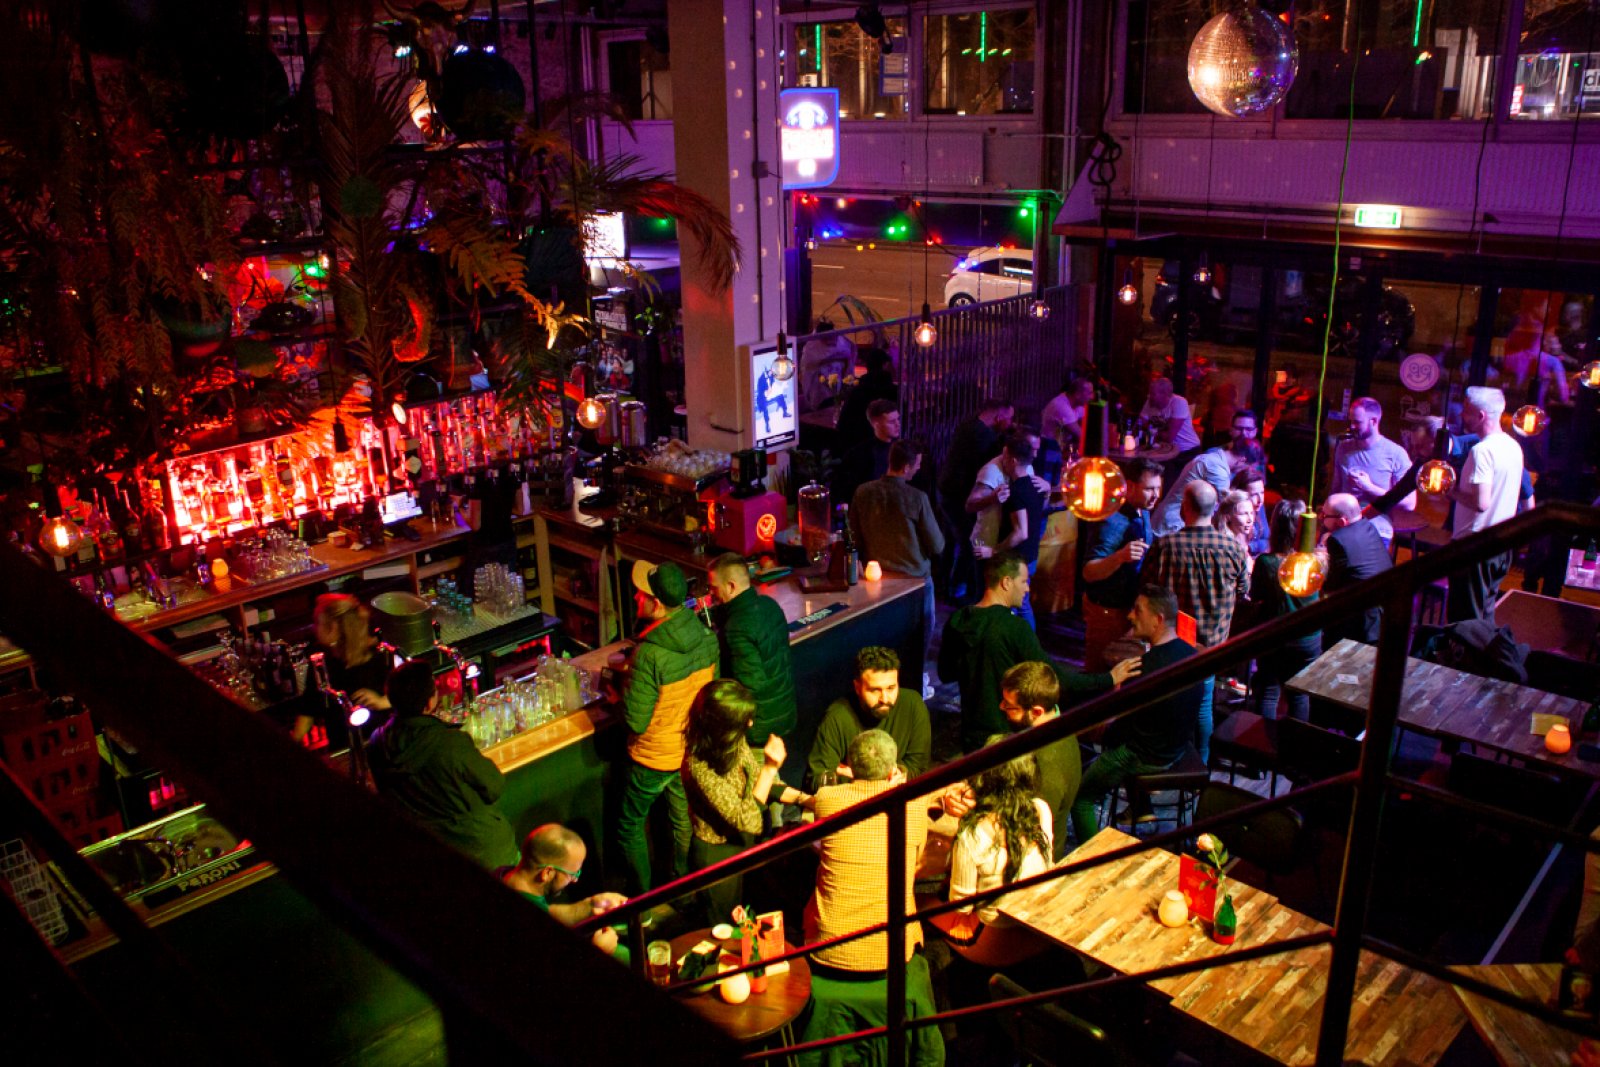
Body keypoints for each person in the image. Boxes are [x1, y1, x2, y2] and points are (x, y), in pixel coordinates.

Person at [940, 553, 1138, 753]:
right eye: (1024, 581)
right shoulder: (1014, 627)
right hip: (1005, 737)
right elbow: (1054, 678)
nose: (1027, 588)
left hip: (970, 735)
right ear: (1006, 582)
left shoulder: (957, 620)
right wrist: (1109, 679)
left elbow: (945, 674)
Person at [1069, 586, 1205, 845]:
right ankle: (1142, 809)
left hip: (1145, 757)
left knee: (1081, 798)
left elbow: (1121, 728)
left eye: (1137, 610)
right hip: (1175, 748)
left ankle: (1092, 858)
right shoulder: (1191, 655)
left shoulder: (1143, 669)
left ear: (1158, 620)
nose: (1130, 616)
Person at [615, 560, 720, 894]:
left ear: (656, 604)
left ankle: (641, 905)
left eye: (640, 593)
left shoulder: (649, 655)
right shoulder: (706, 636)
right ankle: (682, 893)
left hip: (653, 758)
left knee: (629, 825)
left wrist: (618, 692)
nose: (635, 597)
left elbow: (635, 720)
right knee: (682, 823)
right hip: (688, 751)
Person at [682, 679, 812, 923]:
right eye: (743, 719)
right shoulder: (698, 765)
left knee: (752, 919)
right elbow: (747, 819)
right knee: (725, 928)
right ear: (721, 726)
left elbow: (759, 785)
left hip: (746, 844)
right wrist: (770, 768)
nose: (750, 723)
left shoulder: (733, 741)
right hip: (718, 855)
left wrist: (806, 799)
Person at [368, 659, 518, 869]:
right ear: (429, 703)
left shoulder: (377, 743)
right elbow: (494, 786)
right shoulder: (450, 742)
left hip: (428, 855)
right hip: (482, 852)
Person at [1141, 482, 1250, 763]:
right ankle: (1199, 765)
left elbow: (1147, 589)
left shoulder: (1165, 546)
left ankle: (1165, 760)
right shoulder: (1232, 548)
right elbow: (1243, 590)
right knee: (1203, 706)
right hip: (1211, 646)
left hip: (1171, 644)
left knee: (1166, 703)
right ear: (1215, 509)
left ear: (1184, 508)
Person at [804, 729, 929, 973]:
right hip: (894, 951)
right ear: (894, 771)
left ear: (850, 767)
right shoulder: (914, 803)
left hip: (829, 947)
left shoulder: (827, 798)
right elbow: (917, 859)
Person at [942, 661, 1083, 862]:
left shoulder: (1047, 764)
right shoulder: (1056, 728)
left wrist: (975, 807)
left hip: (1025, 863)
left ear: (1036, 712)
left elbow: (1027, 828)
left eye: (1010, 706)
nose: (1001, 707)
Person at [930, 743, 1054, 969]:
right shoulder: (1040, 808)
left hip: (993, 942)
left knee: (918, 903)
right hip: (1037, 931)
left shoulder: (973, 835)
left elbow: (962, 906)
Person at [851, 438, 945, 638]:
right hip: (914, 578)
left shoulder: (863, 492)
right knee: (922, 631)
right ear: (906, 467)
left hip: (876, 577)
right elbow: (937, 545)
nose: (918, 469)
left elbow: (853, 536)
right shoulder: (917, 498)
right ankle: (919, 670)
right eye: (917, 465)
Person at [1446, 387, 1525, 623]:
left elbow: (1481, 503)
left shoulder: (1482, 451)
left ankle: (1457, 661)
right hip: (1501, 545)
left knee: (1465, 621)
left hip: (1474, 547)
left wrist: (1452, 493)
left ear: (1481, 416)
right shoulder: (1513, 446)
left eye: (1467, 411)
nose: (1461, 416)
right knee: (1484, 616)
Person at [498, 824, 629, 961]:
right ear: (547, 873)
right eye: (572, 874)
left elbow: (547, 911)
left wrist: (590, 905)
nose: (575, 880)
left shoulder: (504, 874)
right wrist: (597, 951)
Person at [705, 553, 796, 748]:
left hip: (758, 727)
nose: (711, 594)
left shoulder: (736, 628)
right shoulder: (770, 606)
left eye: (714, 588)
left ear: (730, 586)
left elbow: (751, 684)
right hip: (784, 712)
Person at [1081, 458, 1163, 671]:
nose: (1156, 495)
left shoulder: (1142, 509)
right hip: (1107, 612)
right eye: (1149, 489)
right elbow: (1089, 571)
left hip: (1127, 609)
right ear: (1130, 486)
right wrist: (1120, 557)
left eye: (1158, 488)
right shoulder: (1112, 521)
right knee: (1100, 672)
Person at [808, 646, 932, 786]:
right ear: (857, 687)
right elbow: (817, 779)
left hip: (898, 794)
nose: (885, 699)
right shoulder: (837, 717)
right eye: (875, 690)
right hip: (852, 801)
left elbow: (919, 767)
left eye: (891, 688)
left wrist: (897, 776)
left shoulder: (912, 704)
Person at [1250, 500, 1320, 720]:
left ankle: (1262, 748)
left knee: (1269, 692)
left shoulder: (1268, 563)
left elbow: (1256, 595)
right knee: (1299, 694)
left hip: (1275, 635)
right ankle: (1295, 748)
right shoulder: (1316, 561)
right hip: (1307, 637)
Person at [939, 398, 1015, 598]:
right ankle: (957, 589)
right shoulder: (984, 437)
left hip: (946, 490)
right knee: (968, 542)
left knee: (950, 541)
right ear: (999, 417)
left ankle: (945, 584)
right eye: (1009, 419)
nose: (1011, 423)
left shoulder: (969, 425)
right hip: (957, 496)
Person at [1150, 411, 1266, 536]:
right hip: (1172, 527)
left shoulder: (1217, 459)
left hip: (1176, 523)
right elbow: (1229, 514)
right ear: (1242, 460)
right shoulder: (1218, 472)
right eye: (1247, 468)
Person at [302, 593, 388, 748]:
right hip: (343, 748)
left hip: (381, 745)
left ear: (333, 628)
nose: (314, 628)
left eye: (317, 623)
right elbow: (309, 709)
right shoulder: (321, 661)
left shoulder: (379, 655)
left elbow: (413, 692)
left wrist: (382, 702)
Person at [1330, 397, 1412, 545]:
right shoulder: (1344, 448)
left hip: (1376, 525)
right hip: (1342, 522)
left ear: (1373, 421)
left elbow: (1409, 503)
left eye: (1357, 422)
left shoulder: (1396, 454)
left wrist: (1369, 487)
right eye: (1351, 421)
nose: (1352, 426)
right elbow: (1335, 488)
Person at [986, 434, 1048, 629]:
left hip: (1016, 559)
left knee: (1019, 606)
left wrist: (995, 550)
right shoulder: (1037, 485)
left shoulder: (1016, 491)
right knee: (1022, 604)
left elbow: (1021, 532)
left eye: (1005, 457)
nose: (1002, 461)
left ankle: (1026, 647)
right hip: (1031, 556)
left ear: (1012, 461)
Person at [1320, 493, 1393, 646]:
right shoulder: (1368, 526)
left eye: (1325, 515)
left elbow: (1331, 586)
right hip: (1387, 614)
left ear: (1341, 521)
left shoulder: (1338, 540)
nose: (1321, 518)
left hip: (1363, 623)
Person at [833, 347, 898, 454]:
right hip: (887, 449)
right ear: (885, 365)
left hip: (855, 448)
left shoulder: (857, 391)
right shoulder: (892, 391)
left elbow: (843, 423)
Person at [1039, 376, 1094, 483]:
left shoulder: (1078, 405)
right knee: (1050, 484)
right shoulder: (1062, 406)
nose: (1092, 397)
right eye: (1089, 393)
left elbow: (1088, 427)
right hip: (1048, 448)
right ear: (1078, 394)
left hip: (1059, 448)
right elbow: (1082, 436)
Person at [1140, 376, 1201, 453]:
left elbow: (1169, 437)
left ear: (1164, 394)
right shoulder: (1150, 401)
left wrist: (1150, 433)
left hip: (1187, 450)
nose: (1149, 396)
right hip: (1164, 449)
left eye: (1153, 394)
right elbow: (1139, 425)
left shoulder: (1179, 402)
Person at [1231, 467, 1269, 557]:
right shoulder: (1234, 514)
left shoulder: (1259, 507)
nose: (1260, 499)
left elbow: (1267, 539)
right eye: (1254, 495)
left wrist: (1252, 546)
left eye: (1262, 493)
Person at [1213, 488, 1256, 559]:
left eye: (1251, 513)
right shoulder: (1224, 547)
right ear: (1228, 517)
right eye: (1243, 514)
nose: (1250, 519)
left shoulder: (1243, 537)